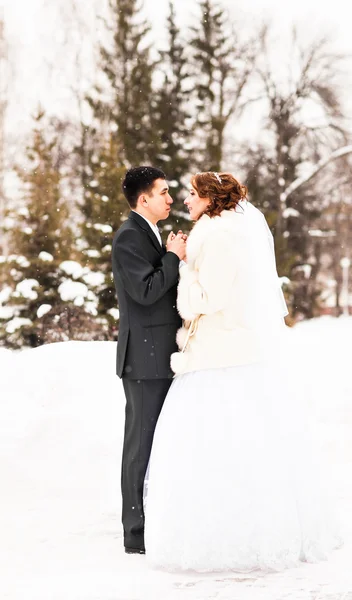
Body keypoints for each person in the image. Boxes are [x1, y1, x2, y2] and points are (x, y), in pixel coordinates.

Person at [144, 171, 340, 571]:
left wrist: (180, 268)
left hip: (221, 355)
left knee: (221, 445)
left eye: (193, 194)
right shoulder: (218, 229)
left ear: (211, 198)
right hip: (218, 351)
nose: (185, 200)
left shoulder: (219, 235)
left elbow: (211, 297)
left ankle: (234, 537)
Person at [111, 166, 186, 555]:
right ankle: (135, 534)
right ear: (144, 199)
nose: (170, 199)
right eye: (163, 192)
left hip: (160, 355)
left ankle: (152, 523)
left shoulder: (148, 233)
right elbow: (145, 291)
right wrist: (173, 257)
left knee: (156, 444)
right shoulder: (128, 237)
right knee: (140, 446)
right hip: (144, 359)